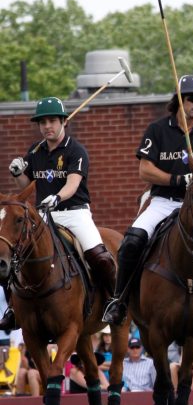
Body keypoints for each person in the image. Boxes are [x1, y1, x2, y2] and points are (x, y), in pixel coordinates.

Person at [102, 75, 193, 332]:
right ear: (179, 101)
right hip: (164, 201)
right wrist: (176, 178)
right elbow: (145, 170)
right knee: (131, 242)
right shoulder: (158, 130)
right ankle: (119, 300)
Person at [0, 97, 116, 330]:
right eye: (42, 122)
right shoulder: (35, 151)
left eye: (52, 121)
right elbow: (26, 186)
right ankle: (12, 307)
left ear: (64, 121)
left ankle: (115, 301)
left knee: (99, 255)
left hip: (74, 213)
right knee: (14, 255)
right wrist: (18, 173)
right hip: (43, 215)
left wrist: (58, 197)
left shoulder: (76, 150)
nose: (47, 127)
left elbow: (73, 184)